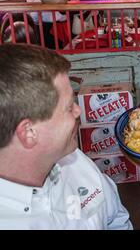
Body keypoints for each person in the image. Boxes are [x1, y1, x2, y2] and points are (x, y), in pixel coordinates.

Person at [0, 44, 133, 230]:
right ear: (28, 133)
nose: (78, 111)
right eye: (69, 107)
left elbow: (117, 222)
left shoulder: (75, 160)